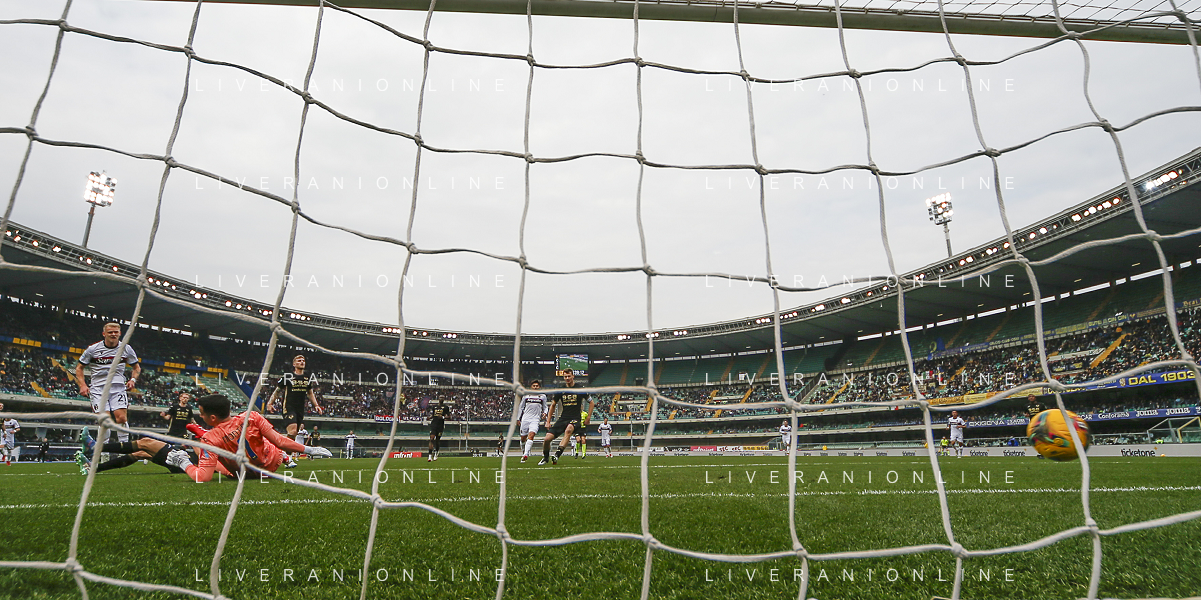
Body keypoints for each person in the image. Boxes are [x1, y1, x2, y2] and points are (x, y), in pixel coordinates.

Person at [169, 394, 331, 482]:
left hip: (244, 474)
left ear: (212, 418)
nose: (200, 415)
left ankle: (201, 439)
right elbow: (279, 441)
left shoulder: (210, 439)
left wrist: (184, 463)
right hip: (271, 464)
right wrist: (310, 450)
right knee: (258, 436)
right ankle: (284, 457)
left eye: (202, 413)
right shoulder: (251, 416)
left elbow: (203, 477)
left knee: (201, 446)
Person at [76, 322, 141, 444]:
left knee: (121, 418)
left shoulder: (126, 348)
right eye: (110, 332)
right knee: (105, 421)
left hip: (118, 387)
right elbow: (79, 368)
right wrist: (83, 385)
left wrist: (132, 380)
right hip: (98, 389)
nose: (113, 334)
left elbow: (136, 367)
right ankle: (103, 450)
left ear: (120, 333)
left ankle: (124, 447)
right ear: (104, 334)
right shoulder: (92, 349)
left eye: (116, 332)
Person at [539, 370, 593, 466]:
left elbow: (591, 402)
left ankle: (557, 455)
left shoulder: (580, 389)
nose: (567, 378)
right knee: (547, 439)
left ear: (573, 376)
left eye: (569, 376)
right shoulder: (561, 389)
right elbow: (553, 405)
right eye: (565, 376)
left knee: (568, 430)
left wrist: (588, 417)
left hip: (575, 418)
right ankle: (545, 458)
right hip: (563, 418)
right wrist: (548, 421)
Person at [269, 354, 323, 441]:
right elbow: (277, 390)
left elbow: (310, 393)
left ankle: (286, 448)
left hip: (300, 408)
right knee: (293, 430)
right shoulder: (288, 376)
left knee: (294, 433)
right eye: (299, 360)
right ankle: (281, 447)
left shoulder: (307, 377)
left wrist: (316, 405)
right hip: (289, 406)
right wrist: (270, 403)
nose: (302, 362)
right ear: (294, 364)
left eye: (303, 360)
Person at [517, 381, 548, 463]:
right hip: (525, 418)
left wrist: (545, 413)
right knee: (523, 438)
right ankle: (524, 452)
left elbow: (545, 407)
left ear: (539, 387)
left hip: (535, 419)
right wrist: (518, 418)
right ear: (531, 387)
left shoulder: (542, 396)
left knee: (531, 435)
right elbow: (521, 407)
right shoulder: (526, 396)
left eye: (537, 386)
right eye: (534, 385)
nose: (535, 387)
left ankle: (526, 454)